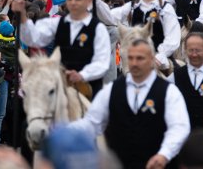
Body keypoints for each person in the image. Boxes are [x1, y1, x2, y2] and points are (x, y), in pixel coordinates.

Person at [71, 38, 190, 169]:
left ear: (151, 59)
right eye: (130, 58)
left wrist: (164, 154)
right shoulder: (111, 90)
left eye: (140, 58)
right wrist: (63, 132)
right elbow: (92, 123)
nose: (134, 63)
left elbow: (179, 128)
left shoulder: (169, 91)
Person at [13, 0, 110, 96]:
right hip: (61, 89)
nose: (73, 2)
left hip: (89, 90)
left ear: (88, 0)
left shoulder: (98, 28)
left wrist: (82, 75)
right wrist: (22, 17)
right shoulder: (57, 23)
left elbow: (102, 62)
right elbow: (33, 39)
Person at [109, 0, 180, 70]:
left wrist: (159, 56)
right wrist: (96, 1)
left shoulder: (165, 9)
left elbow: (173, 38)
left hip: (158, 60)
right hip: (134, 59)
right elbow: (109, 16)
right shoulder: (132, 6)